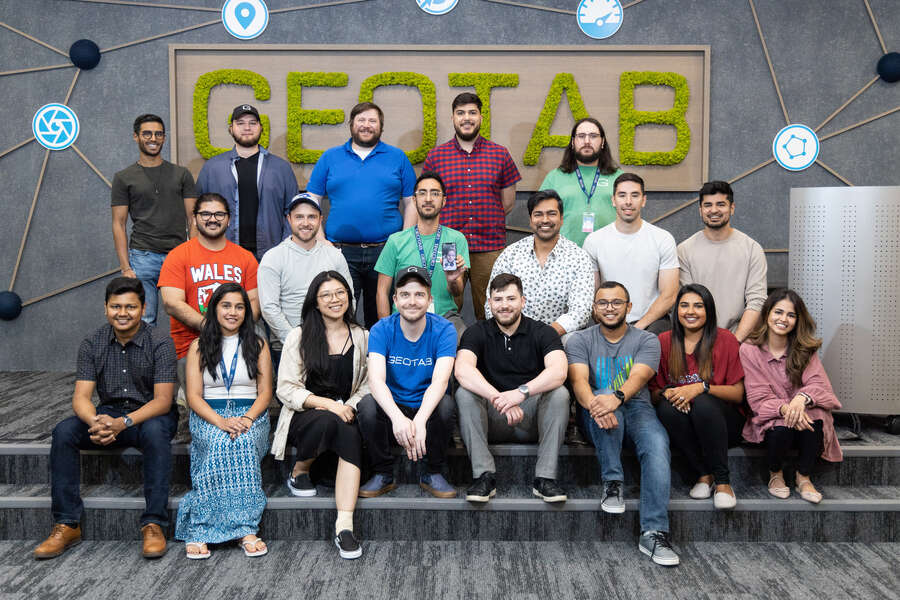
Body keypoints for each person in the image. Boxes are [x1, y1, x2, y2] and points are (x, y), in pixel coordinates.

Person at [34, 277, 177, 560]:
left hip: (149, 415)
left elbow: (162, 401)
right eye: (115, 306)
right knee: (63, 432)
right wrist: (96, 422)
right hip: (108, 413)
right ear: (105, 308)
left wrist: (123, 423)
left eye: (130, 307)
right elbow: (81, 397)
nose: (122, 313)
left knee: (156, 434)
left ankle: (154, 524)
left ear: (143, 307)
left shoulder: (160, 341)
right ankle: (67, 523)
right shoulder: (92, 342)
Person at [567, 281, 680, 567]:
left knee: (657, 445)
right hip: (594, 413)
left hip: (638, 408)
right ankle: (613, 482)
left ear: (629, 307)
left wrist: (614, 398)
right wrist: (596, 404)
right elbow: (579, 382)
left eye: (617, 302)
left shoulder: (646, 340)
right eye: (603, 302)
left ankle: (654, 532)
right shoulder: (580, 340)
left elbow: (639, 378)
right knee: (604, 403)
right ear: (594, 308)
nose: (610, 308)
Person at [272, 271, 368, 559]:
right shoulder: (299, 336)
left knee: (347, 428)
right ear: (315, 302)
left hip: (346, 412)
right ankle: (299, 471)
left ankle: (344, 526)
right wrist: (330, 405)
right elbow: (286, 389)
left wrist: (349, 405)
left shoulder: (362, 336)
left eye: (340, 292)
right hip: (306, 413)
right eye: (326, 294)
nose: (334, 299)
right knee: (329, 418)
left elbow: (368, 383)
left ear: (349, 297)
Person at [174, 283, 272, 559]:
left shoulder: (258, 344)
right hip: (209, 414)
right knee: (218, 444)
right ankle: (201, 527)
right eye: (226, 306)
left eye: (239, 307)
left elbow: (265, 393)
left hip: (251, 414)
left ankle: (245, 528)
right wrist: (220, 421)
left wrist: (246, 418)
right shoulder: (198, 346)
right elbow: (193, 396)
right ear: (214, 308)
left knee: (241, 443)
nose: (233, 312)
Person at [455, 273, 570, 503]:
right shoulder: (477, 332)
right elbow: (462, 370)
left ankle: (545, 479)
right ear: (489, 303)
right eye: (498, 300)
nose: (504, 305)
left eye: (511, 298)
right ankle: (484, 476)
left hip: (533, 418)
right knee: (464, 393)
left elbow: (559, 371)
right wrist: (499, 398)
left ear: (523, 301)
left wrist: (520, 393)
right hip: (492, 417)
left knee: (560, 393)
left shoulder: (543, 332)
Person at [306, 102, 417, 328]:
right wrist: (320, 239)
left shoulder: (397, 157)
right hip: (340, 251)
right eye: (361, 120)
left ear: (381, 127)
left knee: (382, 314)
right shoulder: (330, 157)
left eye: (372, 121)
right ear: (351, 124)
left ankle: (378, 361)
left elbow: (411, 202)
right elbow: (312, 200)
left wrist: (403, 242)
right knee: (341, 314)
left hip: (386, 250)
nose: (366, 125)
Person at [158, 193, 260, 435]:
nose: (212, 219)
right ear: (194, 219)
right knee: (202, 418)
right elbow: (171, 303)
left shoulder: (245, 258)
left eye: (219, 214)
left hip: (237, 343)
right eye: (205, 214)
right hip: (192, 344)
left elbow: (254, 303)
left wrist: (232, 331)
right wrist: (211, 327)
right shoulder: (179, 255)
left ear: (228, 219)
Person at [356, 266, 457, 498]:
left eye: (419, 294)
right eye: (405, 294)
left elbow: (440, 382)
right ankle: (383, 472)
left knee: (447, 405)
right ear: (395, 299)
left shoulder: (444, 329)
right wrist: (398, 418)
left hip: (427, 411)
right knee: (367, 406)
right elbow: (376, 380)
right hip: (393, 413)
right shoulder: (381, 329)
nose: (412, 301)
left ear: (430, 299)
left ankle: (433, 471)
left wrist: (420, 420)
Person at [423, 92, 521, 319]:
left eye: (472, 112)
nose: (466, 118)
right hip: (449, 245)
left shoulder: (499, 154)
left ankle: (490, 354)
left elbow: (507, 203)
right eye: (460, 113)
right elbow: (429, 199)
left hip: (490, 245)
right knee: (446, 305)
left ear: (481, 117)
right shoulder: (437, 157)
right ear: (453, 118)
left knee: (493, 308)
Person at [740, 289, 842, 504]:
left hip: (802, 410)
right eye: (778, 312)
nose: (783, 319)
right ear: (767, 314)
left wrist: (800, 399)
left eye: (791, 315)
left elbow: (819, 384)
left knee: (816, 416)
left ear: (797, 320)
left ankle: (803, 475)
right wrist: (787, 409)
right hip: (772, 415)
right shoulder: (749, 349)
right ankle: (775, 473)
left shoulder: (805, 348)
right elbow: (758, 397)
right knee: (782, 427)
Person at [651, 284, 746, 510]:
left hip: (723, 424)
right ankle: (704, 474)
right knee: (666, 407)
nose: (690, 311)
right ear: (676, 311)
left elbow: (738, 394)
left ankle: (723, 481)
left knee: (703, 403)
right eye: (684, 305)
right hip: (685, 424)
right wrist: (669, 393)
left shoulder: (726, 339)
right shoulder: (663, 341)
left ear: (709, 311)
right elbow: (654, 393)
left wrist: (700, 388)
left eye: (698, 306)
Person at [111, 114, 197, 326]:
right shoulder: (124, 177)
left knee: (184, 319)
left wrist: (192, 255)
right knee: (145, 320)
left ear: (164, 138)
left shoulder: (181, 174)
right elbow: (118, 223)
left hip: (178, 256)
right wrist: (125, 267)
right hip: (142, 256)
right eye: (147, 133)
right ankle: (146, 361)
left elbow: (193, 218)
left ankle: (184, 361)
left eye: (159, 134)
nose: (153, 138)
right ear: (136, 137)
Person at [195, 104, 299, 260]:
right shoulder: (212, 168)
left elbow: (293, 212)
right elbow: (198, 213)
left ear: (261, 128)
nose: (247, 127)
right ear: (231, 128)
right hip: (223, 253)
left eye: (252, 123)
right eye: (240, 123)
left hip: (270, 254)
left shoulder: (281, 168)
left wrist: (285, 249)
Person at [258, 192, 351, 364]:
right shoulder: (273, 257)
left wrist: (335, 339)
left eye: (312, 217)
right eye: (299, 217)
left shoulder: (334, 256)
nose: (306, 223)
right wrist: (296, 342)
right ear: (289, 219)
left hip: (332, 346)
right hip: (289, 348)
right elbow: (269, 308)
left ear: (320, 219)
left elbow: (348, 297)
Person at [485, 190, 593, 338]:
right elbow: (491, 305)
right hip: (513, 335)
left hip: (558, 337)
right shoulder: (511, 255)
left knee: (572, 341)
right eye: (538, 214)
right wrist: (515, 334)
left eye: (552, 214)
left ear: (562, 219)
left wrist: (543, 336)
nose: (545, 220)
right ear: (530, 220)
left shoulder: (578, 257)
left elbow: (581, 311)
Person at [374, 170, 469, 338]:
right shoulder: (397, 241)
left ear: (444, 201)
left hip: (444, 317)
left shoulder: (455, 239)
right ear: (414, 199)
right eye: (422, 193)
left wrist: (453, 280)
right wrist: (386, 329)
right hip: (404, 315)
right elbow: (382, 290)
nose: (428, 199)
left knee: (464, 341)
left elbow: (457, 292)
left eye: (435, 193)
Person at [583, 173, 679, 335]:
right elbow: (591, 295)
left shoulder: (662, 238)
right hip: (609, 321)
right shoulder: (594, 241)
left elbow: (669, 295)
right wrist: (612, 325)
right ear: (613, 200)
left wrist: (637, 329)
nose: (628, 201)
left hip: (652, 323)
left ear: (643, 200)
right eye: (622, 195)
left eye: (635, 195)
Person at [677, 180, 767, 341]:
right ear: (700, 210)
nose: (714, 210)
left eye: (721, 204)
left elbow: (757, 301)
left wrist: (734, 342)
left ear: (732, 208)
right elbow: (686, 304)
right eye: (708, 205)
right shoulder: (684, 250)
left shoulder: (752, 249)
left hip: (740, 338)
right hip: (696, 338)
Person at [539, 117, 623, 247]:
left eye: (593, 136)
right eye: (581, 136)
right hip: (564, 253)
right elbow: (540, 217)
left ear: (602, 142)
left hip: (609, 251)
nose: (587, 141)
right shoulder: (555, 177)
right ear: (573, 142)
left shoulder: (618, 177)